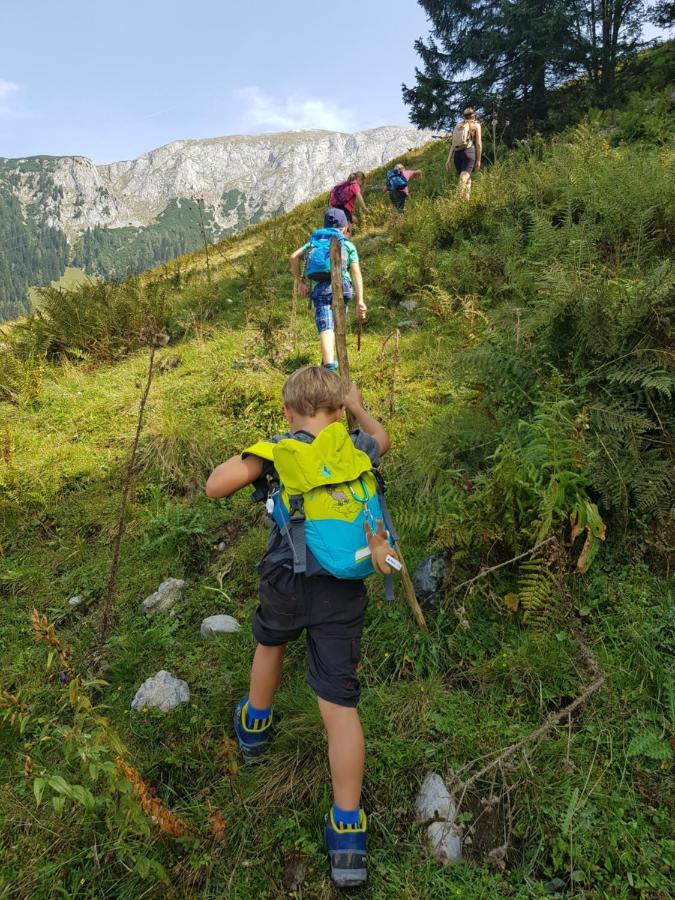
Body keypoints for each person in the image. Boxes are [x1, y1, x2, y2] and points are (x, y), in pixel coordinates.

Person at [205, 366, 391, 888]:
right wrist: (357, 407)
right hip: (343, 586)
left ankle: (256, 727)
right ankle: (348, 831)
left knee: (270, 643)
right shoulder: (355, 446)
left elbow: (214, 486)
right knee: (339, 705)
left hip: (286, 579)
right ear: (337, 409)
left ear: (288, 412)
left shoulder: (277, 451)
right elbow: (383, 438)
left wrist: (259, 452)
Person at [289, 207, 366, 371]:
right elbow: (356, 273)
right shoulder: (348, 245)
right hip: (343, 288)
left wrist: (300, 282)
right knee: (337, 325)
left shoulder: (313, 243)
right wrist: (360, 300)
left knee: (326, 327)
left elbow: (293, 257)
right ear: (345, 227)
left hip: (321, 289)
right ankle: (331, 361)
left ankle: (329, 367)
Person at [445, 107, 482, 200]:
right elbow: (478, 144)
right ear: (474, 115)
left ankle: (466, 204)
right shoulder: (476, 125)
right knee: (463, 180)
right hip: (468, 153)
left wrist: (448, 160)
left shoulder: (458, 125)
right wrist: (478, 160)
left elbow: (453, 144)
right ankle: (457, 203)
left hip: (457, 155)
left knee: (467, 180)